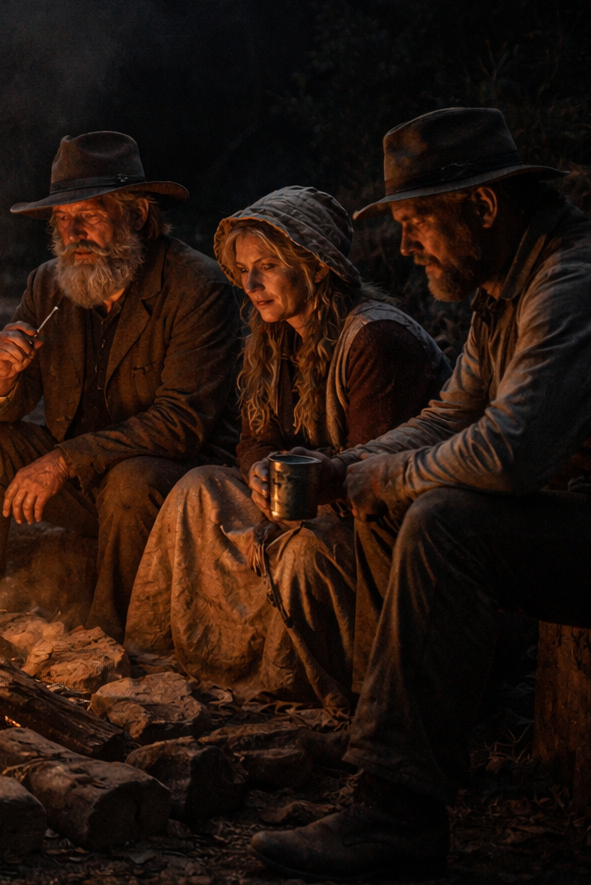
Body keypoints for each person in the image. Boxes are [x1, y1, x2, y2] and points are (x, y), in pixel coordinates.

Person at [249, 108, 591, 879]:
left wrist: (383, 475)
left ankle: (397, 812)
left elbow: (512, 451)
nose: (406, 244)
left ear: (482, 206)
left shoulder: (574, 283)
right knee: (395, 498)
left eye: (418, 221)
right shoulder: (503, 288)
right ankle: (390, 740)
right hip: (584, 516)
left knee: (445, 520)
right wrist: (350, 469)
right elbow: (452, 415)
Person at [126, 186, 450, 710]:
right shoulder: (275, 338)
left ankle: (297, 686)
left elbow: (372, 478)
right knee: (197, 489)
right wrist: (257, 474)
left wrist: (288, 514)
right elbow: (257, 437)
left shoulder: (375, 340)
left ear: (317, 265)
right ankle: (175, 657)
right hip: (303, 501)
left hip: (372, 527)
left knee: (302, 554)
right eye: (244, 269)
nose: (251, 284)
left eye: (268, 266)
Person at [0, 131, 240, 636]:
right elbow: (1, 406)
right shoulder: (48, 283)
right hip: (84, 484)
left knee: (131, 480)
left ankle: (111, 641)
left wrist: (62, 460)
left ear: (137, 216)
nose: (72, 233)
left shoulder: (197, 287)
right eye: (62, 219)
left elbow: (181, 425)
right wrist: (1, 377)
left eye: (89, 216)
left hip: (169, 488)